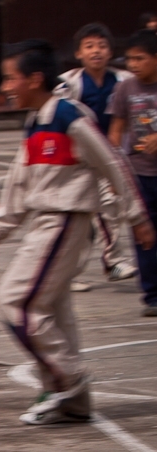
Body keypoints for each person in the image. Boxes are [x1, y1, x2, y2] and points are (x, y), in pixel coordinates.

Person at [0, 40, 153, 425]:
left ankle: (65, 378)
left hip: (67, 220)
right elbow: (19, 184)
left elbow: (113, 163)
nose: (6, 87)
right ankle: (75, 404)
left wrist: (136, 217)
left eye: (10, 78)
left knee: (14, 302)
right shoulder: (36, 121)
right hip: (45, 221)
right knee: (52, 309)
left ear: (35, 79)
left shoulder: (69, 116)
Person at [56, 23, 137, 291]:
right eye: (89, 46)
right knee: (79, 218)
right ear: (79, 53)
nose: (96, 51)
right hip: (78, 158)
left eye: (101, 46)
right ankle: (69, 273)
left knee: (111, 207)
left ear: (111, 51)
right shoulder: (69, 83)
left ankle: (112, 261)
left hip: (111, 153)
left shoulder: (124, 80)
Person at [109, 30, 157, 317]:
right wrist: (113, 164)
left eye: (140, 58)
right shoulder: (126, 88)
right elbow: (116, 129)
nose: (134, 64)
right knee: (144, 235)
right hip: (139, 173)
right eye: (129, 59)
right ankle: (152, 294)